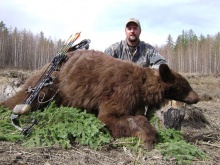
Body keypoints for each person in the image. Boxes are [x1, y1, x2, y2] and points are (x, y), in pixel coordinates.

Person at [104, 18, 185, 130]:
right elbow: (102, 66)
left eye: (135, 28)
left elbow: (162, 65)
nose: (132, 31)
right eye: (129, 28)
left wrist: (146, 74)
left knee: (139, 117)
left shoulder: (148, 50)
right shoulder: (115, 49)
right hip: (118, 95)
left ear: (139, 31)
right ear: (125, 31)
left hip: (140, 96)